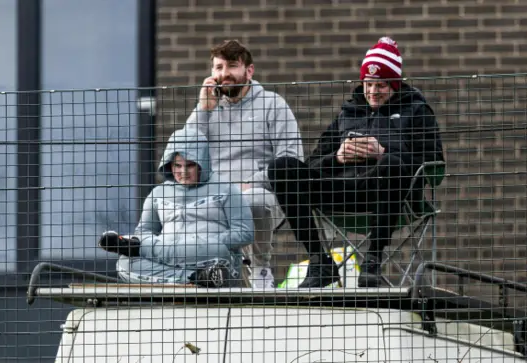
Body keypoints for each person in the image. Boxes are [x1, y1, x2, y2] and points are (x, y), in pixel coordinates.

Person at [267, 37, 445, 288]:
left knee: (391, 164)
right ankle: (320, 262)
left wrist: (382, 153)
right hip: (341, 190)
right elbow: (314, 163)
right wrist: (338, 157)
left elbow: (434, 165)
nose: (373, 91)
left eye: (381, 84)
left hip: (390, 192)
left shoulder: (416, 111)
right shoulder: (347, 113)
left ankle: (372, 261)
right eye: (368, 83)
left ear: (394, 84)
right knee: (282, 168)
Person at [185, 39, 304, 288]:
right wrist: (202, 109)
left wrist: (250, 183)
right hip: (215, 196)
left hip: (263, 195)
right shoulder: (207, 109)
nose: (224, 74)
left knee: (253, 200)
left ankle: (260, 270)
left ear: (249, 70)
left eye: (231, 66)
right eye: (218, 68)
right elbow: (184, 155)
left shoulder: (273, 105)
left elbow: (292, 159)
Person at [98, 127, 254, 287]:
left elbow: (244, 232)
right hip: (172, 264)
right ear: (169, 164)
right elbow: (144, 232)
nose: (183, 171)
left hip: (210, 257)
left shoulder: (227, 188)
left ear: (203, 163)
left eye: (190, 165)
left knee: (215, 249)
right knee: (125, 264)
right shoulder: (158, 193)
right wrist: (169, 248)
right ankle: (195, 277)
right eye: (177, 165)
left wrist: (201, 243)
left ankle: (137, 247)